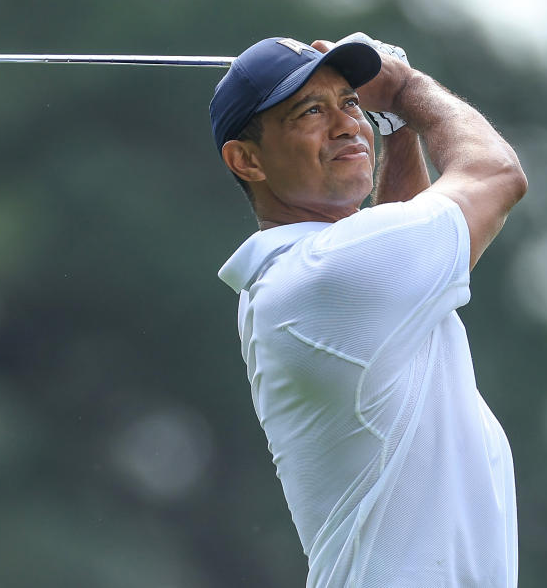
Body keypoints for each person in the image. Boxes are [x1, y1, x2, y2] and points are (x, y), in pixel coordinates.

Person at [209, 34, 527, 587]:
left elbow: (402, 239)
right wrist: (405, 89)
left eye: (350, 102)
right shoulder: (324, 276)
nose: (345, 123)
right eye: (311, 111)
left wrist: (397, 129)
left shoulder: (315, 275)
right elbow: (497, 175)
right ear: (247, 160)